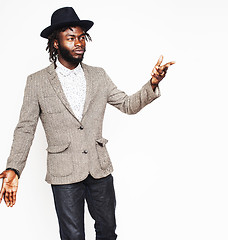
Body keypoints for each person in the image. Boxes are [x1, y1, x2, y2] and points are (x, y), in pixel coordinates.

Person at [0, 6, 175, 240]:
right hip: (64, 173)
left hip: (99, 168)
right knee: (72, 236)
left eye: (82, 37)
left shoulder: (98, 76)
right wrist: (14, 168)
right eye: (71, 38)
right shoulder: (37, 82)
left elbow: (128, 104)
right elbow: (25, 128)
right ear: (55, 43)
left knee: (107, 231)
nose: (79, 42)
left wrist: (152, 83)